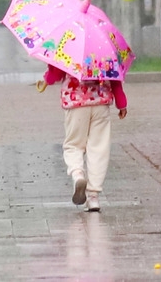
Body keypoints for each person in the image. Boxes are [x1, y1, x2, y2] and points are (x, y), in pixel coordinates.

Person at [40, 66, 127, 212]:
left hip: (76, 102)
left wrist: (46, 80)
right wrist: (121, 102)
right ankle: (93, 197)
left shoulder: (68, 45)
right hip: (101, 103)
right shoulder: (106, 48)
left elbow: (56, 72)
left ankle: (78, 174)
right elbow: (115, 77)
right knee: (99, 148)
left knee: (73, 145)